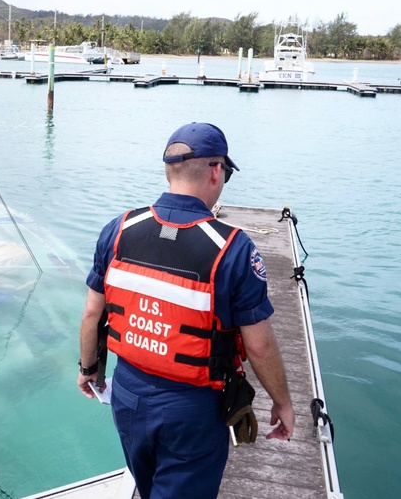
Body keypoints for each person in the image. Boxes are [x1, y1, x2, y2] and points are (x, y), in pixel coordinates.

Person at [77, 122, 295, 499]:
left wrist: (87, 369)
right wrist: (283, 402)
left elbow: (92, 315)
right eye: (225, 172)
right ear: (215, 170)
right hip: (191, 409)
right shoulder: (233, 249)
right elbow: (259, 346)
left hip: (127, 394)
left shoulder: (119, 229)